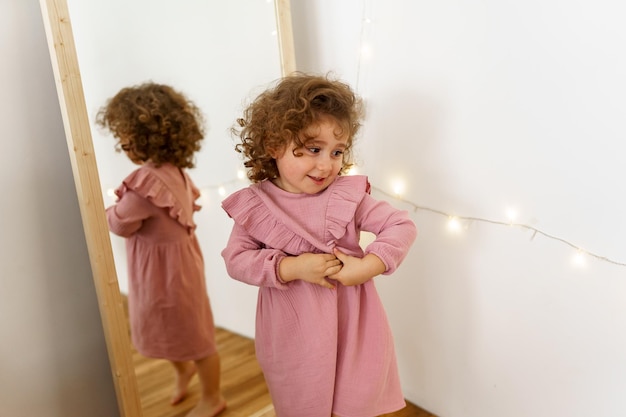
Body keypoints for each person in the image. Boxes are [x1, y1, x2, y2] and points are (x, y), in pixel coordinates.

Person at [221, 73, 417, 417]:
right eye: (313, 149)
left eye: (337, 151)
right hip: (292, 334)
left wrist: (368, 266)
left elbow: (400, 225)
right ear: (273, 144)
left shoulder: (347, 196)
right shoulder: (257, 206)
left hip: (354, 329)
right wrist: (292, 267)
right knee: (301, 405)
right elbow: (236, 260)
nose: (327, 164)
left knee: (355, 403)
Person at [97, 82, 226, 417]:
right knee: (168, 325)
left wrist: (108, 208)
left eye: (125, 140)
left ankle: (212, 397)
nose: (122, 147)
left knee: (197, 338)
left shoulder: (144, 186)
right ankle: (182, 371)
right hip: (176, 267)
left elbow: (119, 224)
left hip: (167, 274)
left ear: (143, 138)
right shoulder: (173, 172)